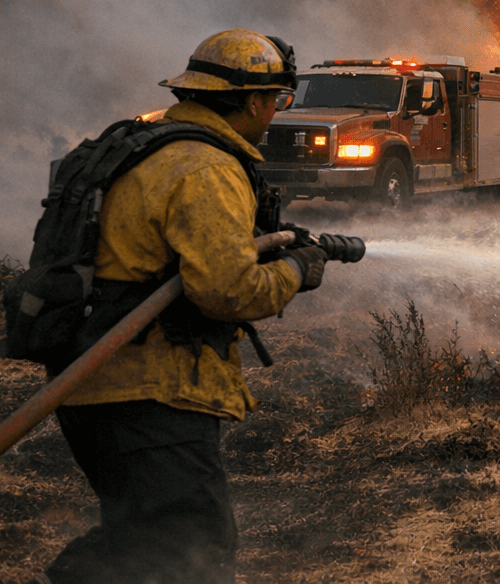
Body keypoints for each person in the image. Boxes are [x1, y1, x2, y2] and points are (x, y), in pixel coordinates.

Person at [35, 30, 329, 584]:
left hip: (92, 379)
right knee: (189, 549)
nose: (274, 115)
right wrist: (295, 270)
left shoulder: (148, 145)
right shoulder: (205, 168)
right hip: (152, 390)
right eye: (275, 101)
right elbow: (228, 290)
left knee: (141, 538)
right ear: (250, 102)